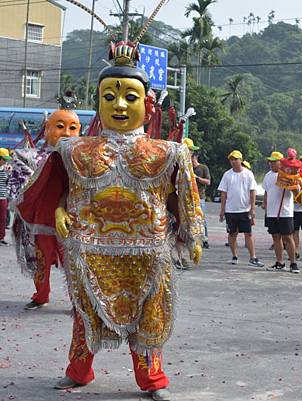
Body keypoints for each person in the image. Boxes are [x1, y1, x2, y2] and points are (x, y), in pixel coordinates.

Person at [16, 41, 204, 401]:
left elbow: (184, 197)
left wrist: (193, 235)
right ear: (99, 101)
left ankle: (151, 379)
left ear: (146, 105)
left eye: (130, 97)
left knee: (150, 315)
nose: (119, 105)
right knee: (84, 314)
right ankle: (79, 371)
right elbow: (57, 190)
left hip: (149, 252)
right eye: (110, 96)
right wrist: (58, 211)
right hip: (90, 250)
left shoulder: (168, 152)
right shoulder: (73, 150)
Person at [14, 94, 82, 310]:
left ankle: (78, 300)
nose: (66, 133)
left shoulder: (82, 161)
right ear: (47, 130)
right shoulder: (34, 158)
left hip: (70, 221)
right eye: (60, 126)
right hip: (43, 220)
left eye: (73, 128)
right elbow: (25, 184)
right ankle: (41, 296)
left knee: (73, 265)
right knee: (42, 262)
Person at [218, 150, 264, 267]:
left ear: (241, 160)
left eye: (235, 159)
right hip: (231, 210)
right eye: (231, 159)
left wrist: (252, 208)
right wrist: (222, 210)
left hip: (244, 209)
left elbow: (252, 191)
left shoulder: (248, 174)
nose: (233, 162)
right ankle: (234, 256)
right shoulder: (227, 175)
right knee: (232, 233)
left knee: (248, 233)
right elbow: (223, 193)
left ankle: (253, 257)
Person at [262, 151, 299, 273]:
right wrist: (265, 204)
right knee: (275, 237)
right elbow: (267, 191)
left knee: (288, 237)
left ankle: (293, 263)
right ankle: (279, 262)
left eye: (274, 161)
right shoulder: (267, 175)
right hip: (272, 211)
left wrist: (291, 185)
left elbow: (297, 192)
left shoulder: (289, 175)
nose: (271, 163)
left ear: (281, 163)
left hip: (285, 212)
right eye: (270, 161)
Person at [185, 138, 211, 249]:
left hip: (200, 197)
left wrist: (197, 178)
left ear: (195, 157)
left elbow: (208, 182)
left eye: (192, 157)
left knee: (202, 218)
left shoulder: (203, 168)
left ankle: (205, 239)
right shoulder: (186, 168)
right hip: (188, 196)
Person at [0, 148, 10, 245]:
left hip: (3, 197)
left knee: (3, 218)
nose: (5, 161)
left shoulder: (6, 169)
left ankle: (1, 237)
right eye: (4, 159)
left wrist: (9, 174)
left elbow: (8, 183)